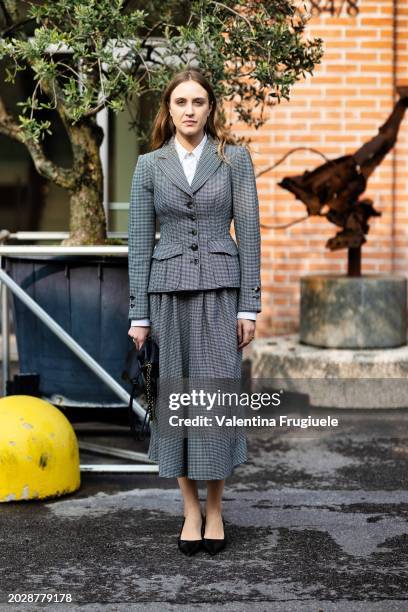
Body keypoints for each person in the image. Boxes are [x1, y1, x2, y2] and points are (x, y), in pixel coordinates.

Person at [127, 69, 261, 556]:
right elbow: (139, 244)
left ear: (210, 108)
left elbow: (250, 233)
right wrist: (138, 314)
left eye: (198, 101)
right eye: (181, 101)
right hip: (167, 297)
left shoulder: (235, 161)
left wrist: (250, 303)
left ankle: (217, 507)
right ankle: (189, 510)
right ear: (169, 108)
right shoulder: (148, 166)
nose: (189, 109)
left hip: (222, 295)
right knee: (177, 401)